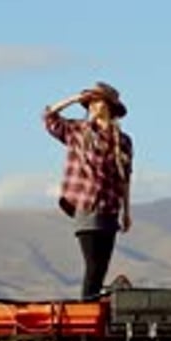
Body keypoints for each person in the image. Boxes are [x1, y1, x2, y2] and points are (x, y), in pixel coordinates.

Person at [43, 82, 133, 299]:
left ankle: (91, 309)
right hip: (86, 204)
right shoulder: (79, 131)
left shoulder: (123, 140)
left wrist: (126, 212)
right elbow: (49, 117)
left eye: (97, 100)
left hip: (110, 208)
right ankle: (86, 311)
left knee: (101, 267)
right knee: (93, 265)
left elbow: (125, 178)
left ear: (109, 105)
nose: (92, 105)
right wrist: (75, 98)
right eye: (90, 102)